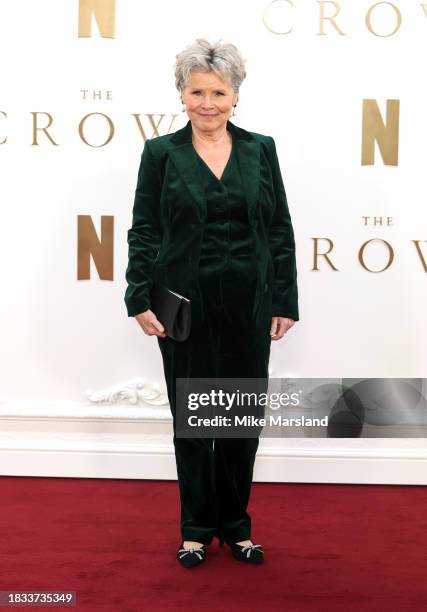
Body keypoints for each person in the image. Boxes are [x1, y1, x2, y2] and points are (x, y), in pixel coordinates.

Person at [124, 38, 299, 568]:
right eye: (196, 91)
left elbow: (279, 227)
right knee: (195, 421)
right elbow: (146, 230)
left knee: (241, 419)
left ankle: (237, 526)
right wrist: (138, 295)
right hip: (182, 305)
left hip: (249, 303)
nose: (207, 102)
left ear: (235, 95)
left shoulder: (260, 148)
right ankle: (197, 528)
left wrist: (284, 299)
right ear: (181, 94)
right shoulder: (161, 154)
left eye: (217, 92)